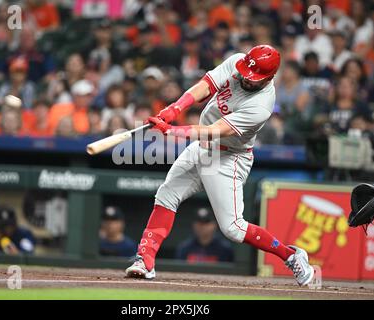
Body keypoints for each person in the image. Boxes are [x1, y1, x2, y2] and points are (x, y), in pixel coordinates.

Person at [125, 45, 315, 286]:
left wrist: (172, 130)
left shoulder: (261, 105)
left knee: (233, 229)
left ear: (269, 78)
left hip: (229, 157)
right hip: (203, 149)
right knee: (166, 195)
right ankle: (145, 259)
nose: (246, 78)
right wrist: (174, 109)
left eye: (253, 78)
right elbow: (205, 86)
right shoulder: (237, 63)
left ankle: (291, 255)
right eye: (246, 72)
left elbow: (215, 131)